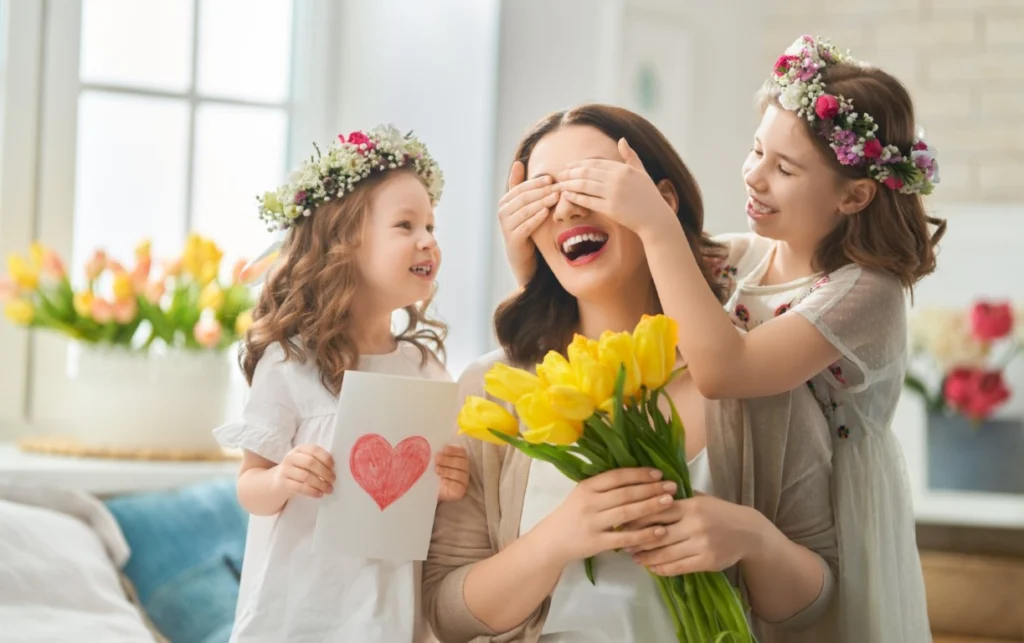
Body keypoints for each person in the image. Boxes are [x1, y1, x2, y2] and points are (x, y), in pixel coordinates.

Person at [501, 36, 939, 641]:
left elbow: (723, 369)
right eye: (757, 151)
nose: (755, 176)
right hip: (757, 466)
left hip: (834, 494)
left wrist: (652, 220)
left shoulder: (865, 292)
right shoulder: (743, 257)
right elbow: (618, 277)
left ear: (854, 195)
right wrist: (531, 259)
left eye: (784, 169)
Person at [424, 105, 840, 643]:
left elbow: (814, 602)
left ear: (662, 202)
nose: (568, 205)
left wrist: (753, 539)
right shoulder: (494, 388)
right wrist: (556, 540)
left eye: (594, 181)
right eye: (545, 192)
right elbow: (445, 611)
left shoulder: (753, 380)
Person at [213, 126, 470, 643]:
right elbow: (250, 486)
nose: (428, 240)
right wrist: (283, 477)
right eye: (405, 225)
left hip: (387, 614)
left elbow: (422, 500)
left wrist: (446, 485)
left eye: (431, 225)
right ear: (343, 244)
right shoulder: (289, 365)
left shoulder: (426, 372)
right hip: (298, 613)